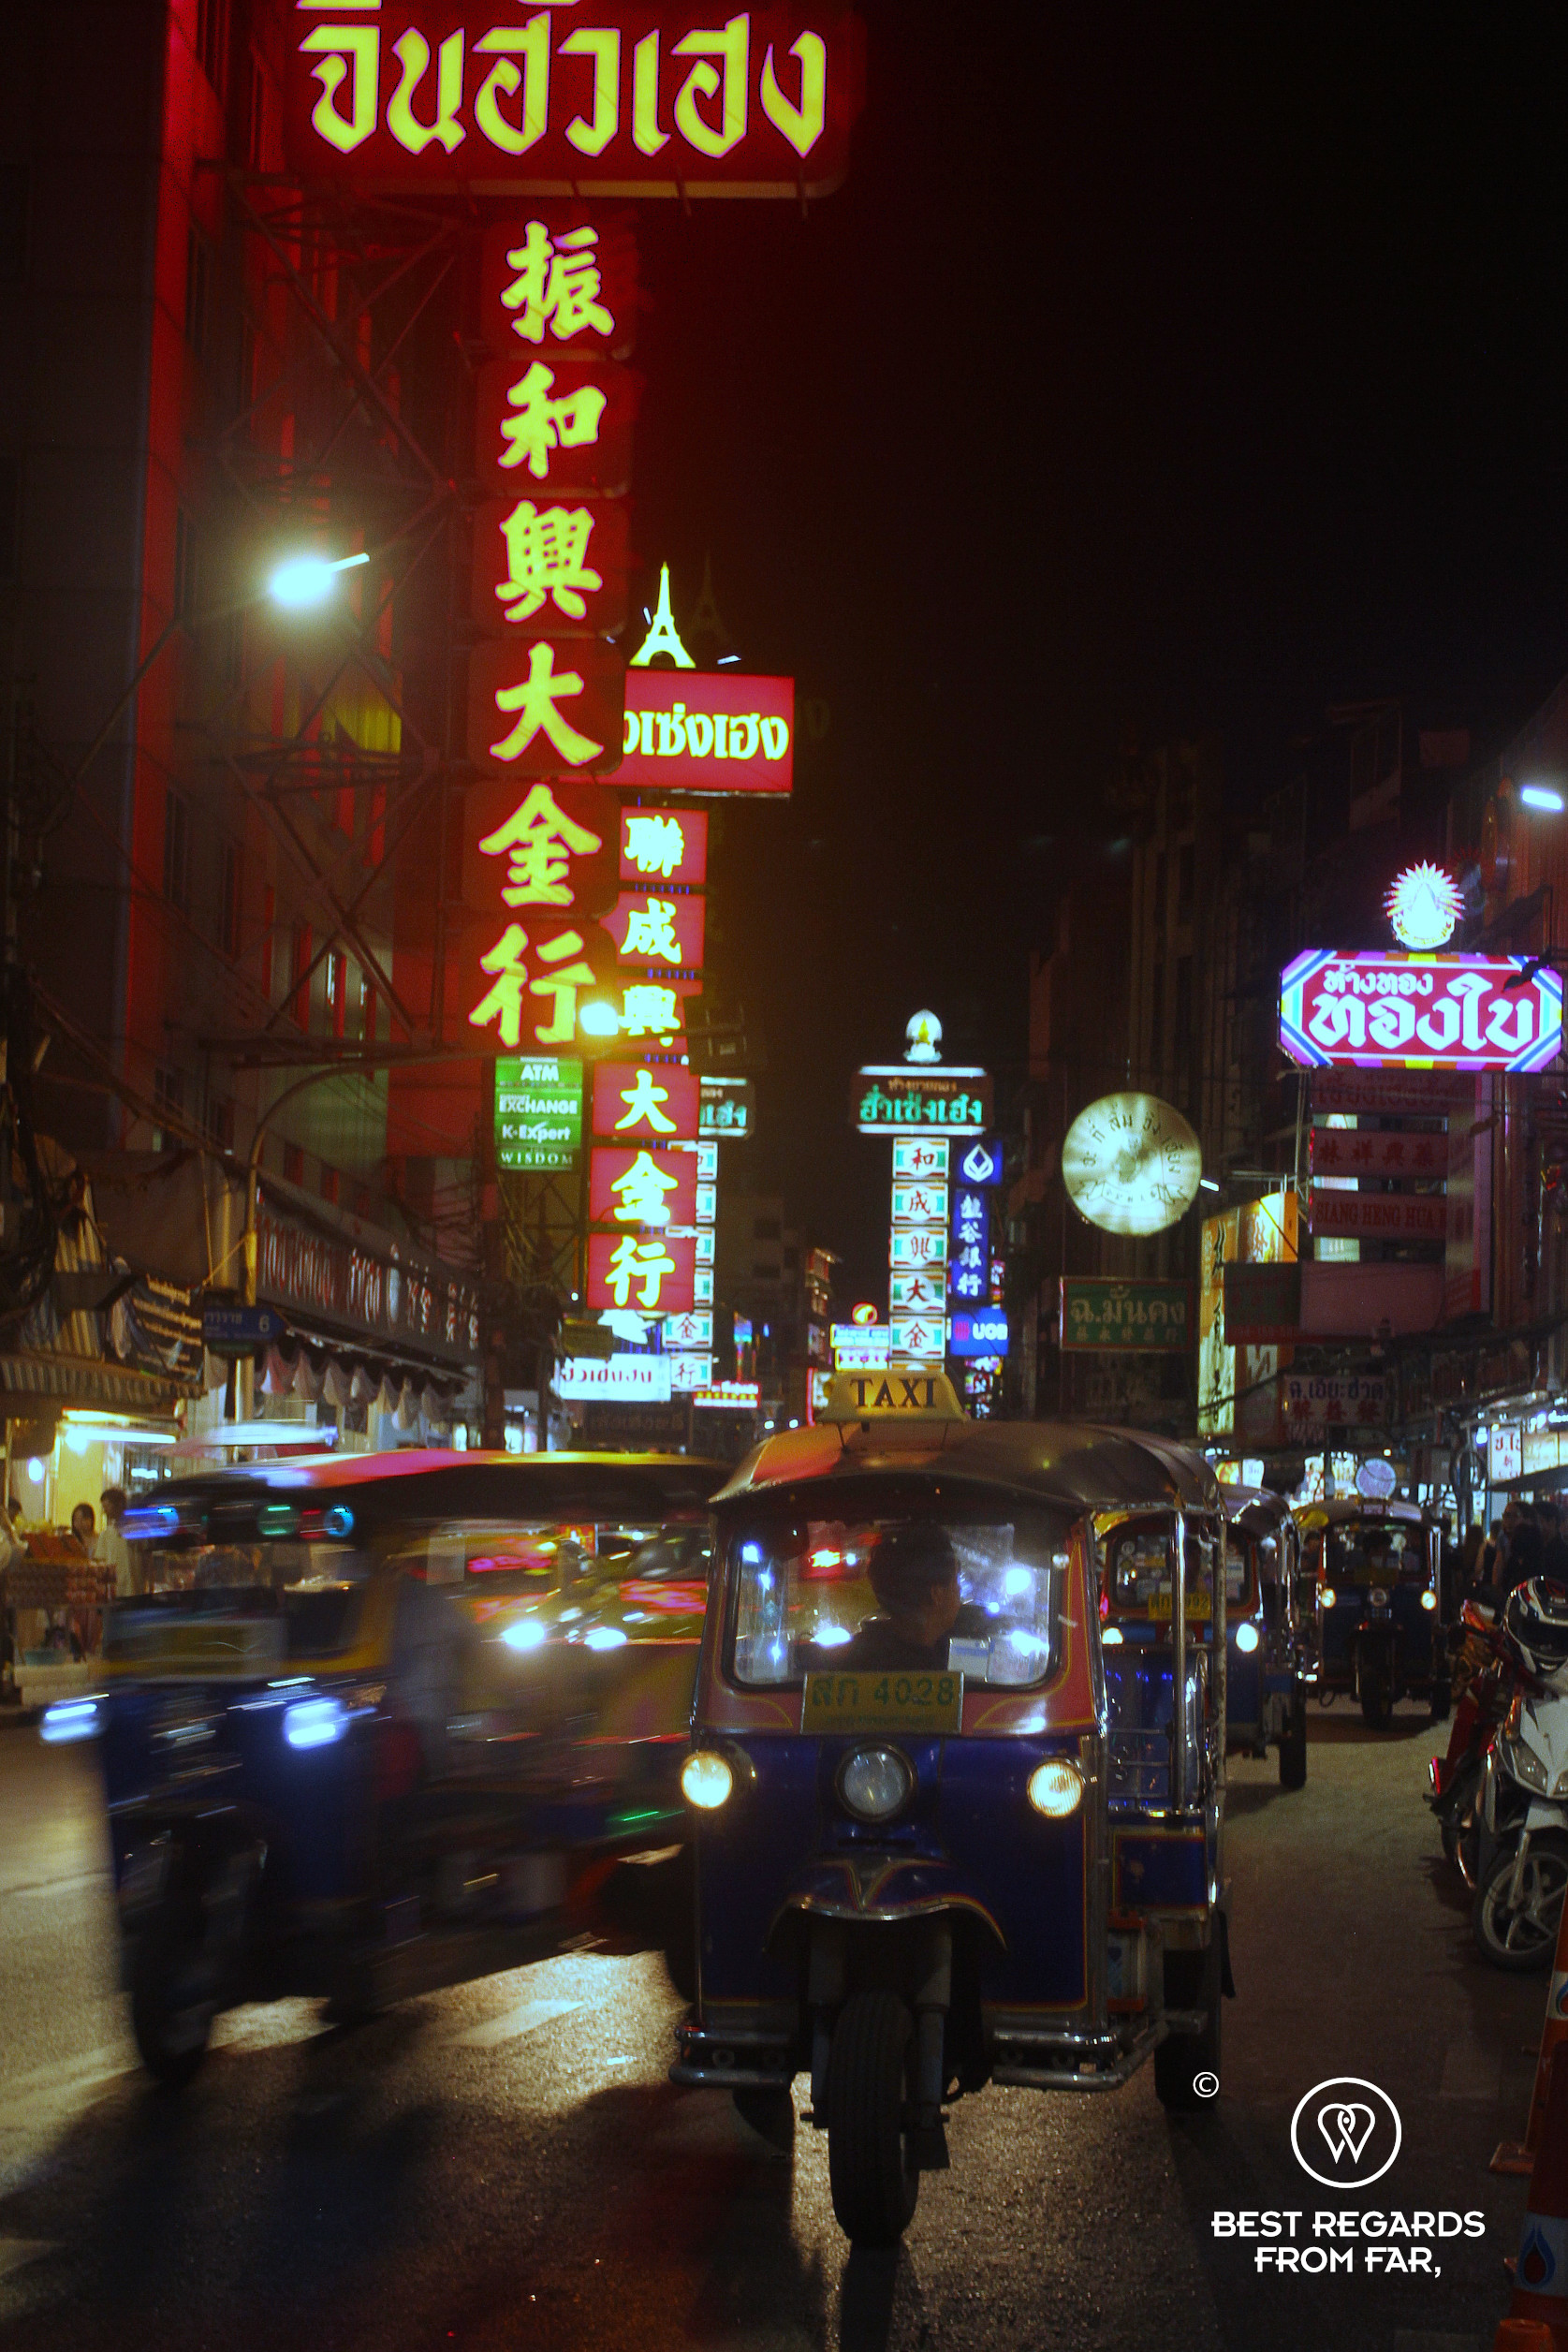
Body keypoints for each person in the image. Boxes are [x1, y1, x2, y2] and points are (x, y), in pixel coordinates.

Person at [840, 1521, 991, 1671]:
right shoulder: (938, 1670)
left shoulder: (853, 1658)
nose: (959, 1590)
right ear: (936, 1594)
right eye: (956, 1580)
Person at [95, 1487, 136, 1599]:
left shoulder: (137, 1530)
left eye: (107, 1506)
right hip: (114, 1591)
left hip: (135, 1589)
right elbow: (100, 1561)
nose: (105, 1511)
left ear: (119, 1504)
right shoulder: (106, 1534)